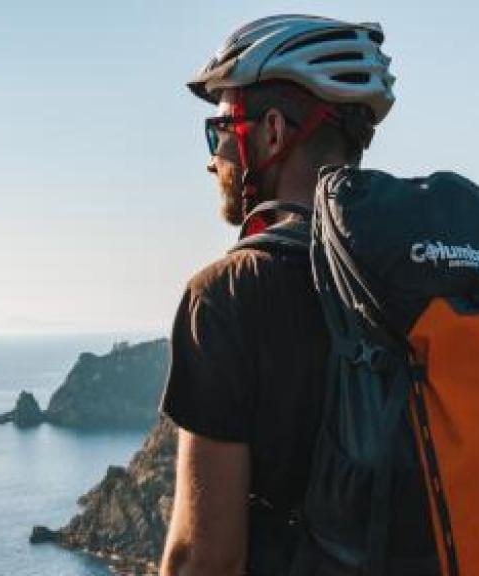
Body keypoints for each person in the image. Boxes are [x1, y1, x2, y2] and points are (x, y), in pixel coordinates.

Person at [159, 15, 397, 576]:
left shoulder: (229, 294)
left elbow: (205, 558)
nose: (213, 157)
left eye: (220, 129)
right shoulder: (427, 269)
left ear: (271, 131)